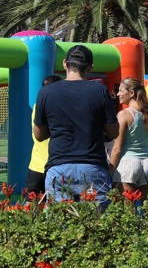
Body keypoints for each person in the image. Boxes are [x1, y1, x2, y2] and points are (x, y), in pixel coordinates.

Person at [34, 45, 119, 207]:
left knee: (60, 227)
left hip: (59, 167)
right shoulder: (99, 91)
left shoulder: (46, 92)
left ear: (65, 64)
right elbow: (113, 132)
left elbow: (39, 135)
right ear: (90, 67)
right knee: (97, 226)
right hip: (93, 167)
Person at [109, 78, 148, 202]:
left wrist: (110, 170)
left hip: (127, 163)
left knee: (128, 211)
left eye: (120, 90)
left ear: (131, 93)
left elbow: (117, 148)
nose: (118, 94)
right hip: (146, 162)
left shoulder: (124, 115)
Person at [26, 75, 63, 197]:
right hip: (55, 165)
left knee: (33, 206)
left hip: (39, 165)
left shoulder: (38, 106)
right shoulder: (60, 108)